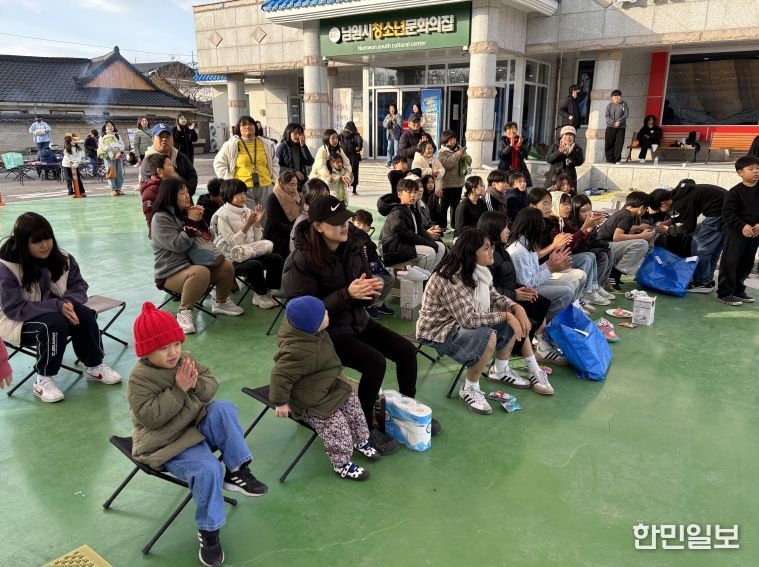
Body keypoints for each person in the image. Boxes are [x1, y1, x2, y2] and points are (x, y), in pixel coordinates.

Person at [128, 301, 268, 567]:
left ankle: (237, 470)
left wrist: (194, 385)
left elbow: (210, 384)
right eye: (163, 347)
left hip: (194, 425)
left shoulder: (185, 358)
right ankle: (209, 531)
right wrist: (179, 389)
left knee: (223, 408)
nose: (173, 352)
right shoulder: (139, 378)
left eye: (176, 344)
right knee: (208, 469)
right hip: (167, 442)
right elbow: (151, 418)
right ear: (146, 351)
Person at [284, 195, 427, 454]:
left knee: (406, 351)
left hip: (357, 321)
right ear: (318, 226)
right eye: (336, 222)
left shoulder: (353, 247)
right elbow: (303, 315)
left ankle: (405, 412)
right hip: (325, 334)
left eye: (345, 219)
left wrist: (371, 292)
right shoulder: (300, 260)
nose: (344, 225)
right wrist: (347, 294)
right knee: (375, 363)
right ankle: (365, 427)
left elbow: (362, 289)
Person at [416, 230, 553, 416]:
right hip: (438, 331)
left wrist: (516, 308)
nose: (491, 251)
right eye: (486, 248)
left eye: (492, 247)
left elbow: (495, 297)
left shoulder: (479, 271)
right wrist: (506, 315)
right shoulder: (450, 278)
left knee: (516, 319)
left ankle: (501, 369)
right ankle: (470, 388)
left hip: (459, 322)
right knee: (488, 335)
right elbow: (468, 320)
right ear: (471, 254)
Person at [0, 212, 121, 402]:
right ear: (23, 244)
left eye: (48, 238)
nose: (45, 245)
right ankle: (43, 378)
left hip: (55, 312)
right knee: (53, 324)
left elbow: (79, 286)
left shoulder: (63, 258)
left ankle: (95, 366)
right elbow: (14, 309)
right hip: (15, 322)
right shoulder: (7, 267)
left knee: (85, 314)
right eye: (37, 241)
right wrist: (57, 306)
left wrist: (68, 303)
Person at [270, 296, 380, 480]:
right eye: (323, 315)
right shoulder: (297, 351)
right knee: (336, 426)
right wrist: (280, 402)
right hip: (311, 401)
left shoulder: (308, 331)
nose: (327, 313)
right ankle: (341, 464)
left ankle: (360, 440)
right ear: (313, 326)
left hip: (328, 385)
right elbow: (280, 375)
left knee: (353, 404)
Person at [151, 178, 243, 334]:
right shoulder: (160, 218)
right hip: (171, 271)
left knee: (226, 265)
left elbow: (210, 238)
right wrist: (192, 223)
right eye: (182, 193)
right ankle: (183, 313)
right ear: (170, 195)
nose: (187, 195)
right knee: (201, 272)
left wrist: (200, 222)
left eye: (187, 191)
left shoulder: (186, 213)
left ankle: (221, 302)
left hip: (195, 264)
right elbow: (178, 245)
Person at [477, 211, 556, 384]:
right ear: (494, 228)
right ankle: (527, 363)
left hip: (506, 296)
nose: (509, 230)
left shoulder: (500, 251)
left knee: (538, 301)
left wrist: (519, 290)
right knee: (522, 316)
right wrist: (515, 294)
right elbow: (486, 289)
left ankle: (536, 356)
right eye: (505, 227)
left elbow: (506, 281)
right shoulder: (489, 255)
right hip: (491, 304)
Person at [506, 208, 584, 359]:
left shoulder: (527, 245)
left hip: (531, 287)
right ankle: (542, 332)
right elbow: (527, 284)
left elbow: (534, 272)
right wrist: (551, 268)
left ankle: (552, 328)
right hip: (524, 293)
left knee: (571, 284)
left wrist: (550, 263)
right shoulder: (518, 251)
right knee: (566, 292)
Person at [210, 178, 282, 310]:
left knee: (276, 258)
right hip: (232, 257)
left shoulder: (247, 211)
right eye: (238, 194)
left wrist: (257, 224)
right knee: (254, 265)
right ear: (228, 195)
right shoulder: (222, 216)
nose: (243, 196)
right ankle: (259, 295)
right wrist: (247, 226)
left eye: (244, 193)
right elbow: (232, 242)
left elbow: (256, 240)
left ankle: (267, 291)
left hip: (249, 252)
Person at [551, 191, 615, 306]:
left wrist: (589, 228)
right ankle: (585, 294)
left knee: (599, 254)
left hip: (567, 255)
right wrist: (586, 227)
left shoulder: (562, 221)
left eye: (569, 204)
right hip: (554, 261)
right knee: (588, 257)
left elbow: (578, 242)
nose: (568, 207)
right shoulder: (553, 223)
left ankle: (593, 289)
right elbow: (570, 246)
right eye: (564, 204)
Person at [665, 179, 727, 293]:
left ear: (663, 202)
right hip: (727, 215)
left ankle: (702, 282)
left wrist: (668, 229)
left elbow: (689, 227)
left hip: (717, 214)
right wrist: (672, 221)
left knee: (699, 247)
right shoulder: (684, 193)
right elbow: (692, 213)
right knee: (713, 251)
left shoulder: (681, 201)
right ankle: (707, 280)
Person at [716, 155, 759, 306]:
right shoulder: (734, 192)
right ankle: (724, 293)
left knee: (747, 263)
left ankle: (738, 290)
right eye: (751, 169)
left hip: (755, 233)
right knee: (730, 262)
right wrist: (742, 226)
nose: (756, 171)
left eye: (758, 168)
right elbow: (727, 214)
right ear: (740, 172)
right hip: (736, 233)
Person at [213, 115, 278, 210]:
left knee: (265, 216)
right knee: (248, 216)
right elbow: (219, 164)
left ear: (255, 127)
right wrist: (230, 181)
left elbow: (275, 163)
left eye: (251, 124)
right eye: (243, 125)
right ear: (238, 129)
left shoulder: (266, 144)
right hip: (242, 189)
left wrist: (273, 181)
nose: (247, 126)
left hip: (266, 186)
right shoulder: (231, 145)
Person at [380, 179, 445, 272]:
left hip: (407, 246)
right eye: (409, 192)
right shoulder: (397, 212)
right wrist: (429, 244)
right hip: (394, 251)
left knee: (440, 247)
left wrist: (432, 243)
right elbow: (406, 235)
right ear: (399, 194)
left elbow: (421, 230)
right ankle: (420, 278)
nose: (413, 195)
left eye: (415, 192)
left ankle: (427, 276)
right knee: (429, 252)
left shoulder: (412, 209)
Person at [597, 191, 655, 282]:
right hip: (604, 247)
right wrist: (642, 236)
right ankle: (614, 273)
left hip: (603, 244)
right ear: (641, 208)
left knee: (637, 242)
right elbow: (617, 237)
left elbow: (622, 230)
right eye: (646, 209)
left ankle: (614, 273)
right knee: (641, 244)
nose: (646, 211)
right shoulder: (627, 216)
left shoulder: (622, 213)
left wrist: (639, 227)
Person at [351, 210, 394, 320]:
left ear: (369, 227)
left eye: (365, 225)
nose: (361, 227)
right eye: (358, 223)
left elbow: (373, 257)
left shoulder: (366, 239)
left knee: (390, 278)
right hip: (357, 273)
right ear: (352, 222)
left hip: (367, 268)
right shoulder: (350, 238)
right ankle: (368, 306)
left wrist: (381, 267)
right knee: (379, 281)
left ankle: (378, 305)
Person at [570, 194, 615, 293]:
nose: (588, 213)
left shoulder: (589, 221)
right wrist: (588, 228)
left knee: (609, 253)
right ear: (575, 211)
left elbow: (593, 240)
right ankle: (592, 290)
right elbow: (576, 246)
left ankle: (599, 287)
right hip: (575, 253)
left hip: (585, 249)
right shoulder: (571, 224)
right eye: (583, 211)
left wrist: (602, 245)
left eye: (590, 209)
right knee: (600, 256)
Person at [140, 123, 199, 196]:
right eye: (160, 136)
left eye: (168, 136)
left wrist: (186, 193)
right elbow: (150, 188)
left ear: (172, 139)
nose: (164, 139)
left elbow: (192, 177)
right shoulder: (148, 161)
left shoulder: (181, 157)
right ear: (153, 139)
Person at [264, 171, 302, 260]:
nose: (294, 188)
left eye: (295, 185)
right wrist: (294, 230)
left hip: (292, 232)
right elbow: (275, 222)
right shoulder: (273, 198)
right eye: (291, 185)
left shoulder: (296, 196)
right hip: (276, 236)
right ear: (281, 184)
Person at [437, 130, 471, 230]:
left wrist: (464, 155)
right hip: (446, 184)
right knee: (444, 207)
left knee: (456, 206)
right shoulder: (442, 152)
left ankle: (454, 225)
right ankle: (442, 226)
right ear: (445, 140)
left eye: (454, 139)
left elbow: (469, 160)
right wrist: (457, 155)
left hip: (458, 184)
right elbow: (447, 165)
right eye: (451, 139)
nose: (453, 141)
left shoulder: (459, 149)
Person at [140, 153, 178, 236]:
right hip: (164, 234)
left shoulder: (172, 185)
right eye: (169, 165)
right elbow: (150, 215)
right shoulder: (151, 191)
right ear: (159, 171)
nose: (173, 167)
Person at [290, 178, 330, 253]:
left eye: (327, 195)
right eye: (323, 196)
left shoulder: (318, 214)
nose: (328, 199)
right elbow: (300, 251)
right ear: (312, 198)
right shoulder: (304, 221)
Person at [275, 123, 313, 192]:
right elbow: (277, 167)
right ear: (289, 133)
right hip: (287, 183)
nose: (298, 136)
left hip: (301, 184)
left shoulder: (301, 146)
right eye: (295, 133)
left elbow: (310, 162)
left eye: (300, 133)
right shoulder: (281, 147)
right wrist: (294, 172)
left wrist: (303, 146)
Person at [313, 129, 352, 196]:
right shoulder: (322, 150)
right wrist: (330, 176)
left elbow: (347, 164)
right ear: (327, 139)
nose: (335, 140)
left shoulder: (339, 150)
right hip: (323, 182)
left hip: (337, 182)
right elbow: (321, 168)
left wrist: (346, 175)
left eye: (336, 138)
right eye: (333, 138)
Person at [545, 126, 584, 191]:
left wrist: (572, 153)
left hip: (569, 177)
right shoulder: (555, 146)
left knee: (568, 195)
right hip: (555, 176)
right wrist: (559, 152)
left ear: (574, 137)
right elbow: (548, 159)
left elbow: (580, 161)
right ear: (562, 136)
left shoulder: (576, 148)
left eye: (571, 135)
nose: (568, 137)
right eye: (566, 134)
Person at [497, 122, 532, 186]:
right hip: (506, 170)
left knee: (520, 187)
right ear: (505, 132)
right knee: (507, 187)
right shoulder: (503, 141)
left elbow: (525, 155)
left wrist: (520, 146)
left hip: (520, 170)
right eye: (509, 129)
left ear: (516, 130)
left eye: (513, 128)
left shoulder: (522, 140)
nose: (511, 131)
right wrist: (510, 146)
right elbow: (501, 155)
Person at [97, 120, 125, 196]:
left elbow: (122, 145)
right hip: (108, 157)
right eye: (108, 126)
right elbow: (102, 146)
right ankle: (112, 189)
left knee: (119, 173)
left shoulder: (117, 136)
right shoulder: (102, 137)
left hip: (118, 155)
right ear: (105, 128)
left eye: (112, 125)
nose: (110, 127)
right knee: (111, 172)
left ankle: (118, 189)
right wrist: (111, 149)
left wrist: (118, 149)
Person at [338, 121, 363, 196]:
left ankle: (343, 189)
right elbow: (360, 141)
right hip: (353, 156)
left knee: (343, 172)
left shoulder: (341, 135)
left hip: (343, 157)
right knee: (354, 172)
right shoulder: (355, 135)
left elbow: (336, 139)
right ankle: (354, 191)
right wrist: (358, 148)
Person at [604, 89, 628, 164]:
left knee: (619, 144)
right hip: (610, 127)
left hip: (621, 128)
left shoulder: (624, 104)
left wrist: (618, 122)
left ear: (620, 97)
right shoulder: (609, 105)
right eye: (614, 96)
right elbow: (607, 116)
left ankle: (617, 159)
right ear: (612, 97)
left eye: (618, 96)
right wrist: (613, 123)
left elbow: (625, 115)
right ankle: (609, 159)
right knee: (609, 143)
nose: (616, 98)